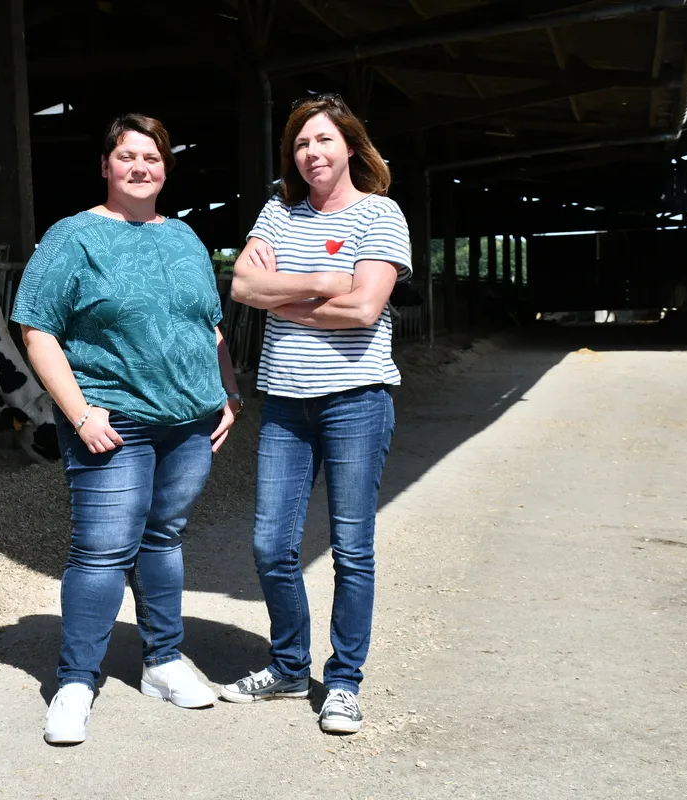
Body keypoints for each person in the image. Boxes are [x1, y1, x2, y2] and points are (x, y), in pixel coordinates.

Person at [10, 113, 243, 745]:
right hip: (113, 419)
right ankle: (75, 681)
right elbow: (37, 329)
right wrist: (79, 413)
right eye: (127, 156)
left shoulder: (186, 237)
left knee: (163, 539)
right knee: (103, 549)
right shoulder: (72, 237)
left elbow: (208, 324)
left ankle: (162, 661)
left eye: (153, 158)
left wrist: (227, 391)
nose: (141, 167)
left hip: (190, 422)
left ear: (166, 169)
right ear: (106, 166)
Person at [218, 92, 412, 735]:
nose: (312, 153)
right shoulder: (278, 210)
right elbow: (243, 287)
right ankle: (289, 666)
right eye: (301, 143)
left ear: (350, 145)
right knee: (271, 544)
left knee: (351, 548)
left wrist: (283, 298)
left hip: (357, 400)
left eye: (324, 139)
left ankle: (345, 682)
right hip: (285, 402)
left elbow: (365, 309)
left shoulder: (380, 214)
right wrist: (327, 281)